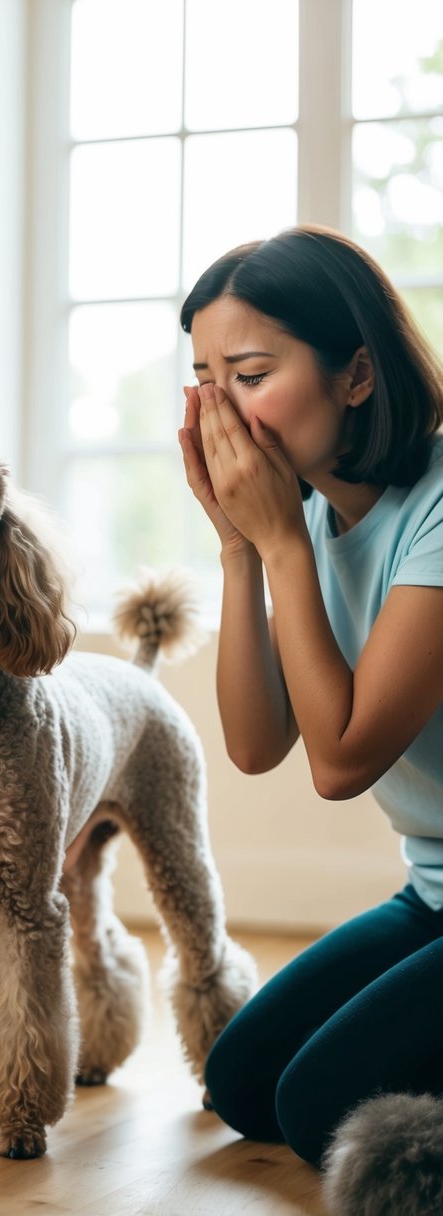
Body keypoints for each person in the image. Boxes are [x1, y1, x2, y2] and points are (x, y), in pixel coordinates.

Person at [177, 224, 443, 1168]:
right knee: (243, 1083)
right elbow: (256, 744)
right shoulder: (312, 518)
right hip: (432, 892)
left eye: (249, 375)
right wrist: (241, 546)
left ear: (356, 375)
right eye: (206, 380)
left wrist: (282, 544)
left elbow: (340, 760)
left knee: (317, 1103)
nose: (225, 412)